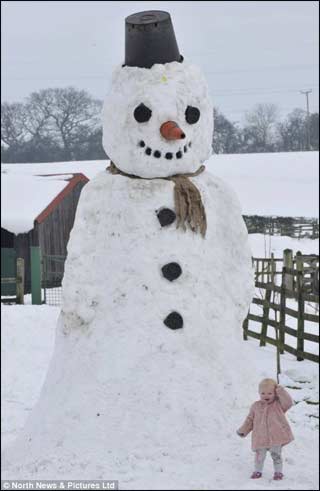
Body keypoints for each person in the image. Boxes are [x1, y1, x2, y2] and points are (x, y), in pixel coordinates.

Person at [236, 378, 294, 480]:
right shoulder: (256, 406)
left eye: (270, 393)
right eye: (263, 393)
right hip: (260, 436)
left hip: (276, 437)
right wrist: (243, 430)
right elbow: (250, 420)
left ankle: (278, 472)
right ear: (259, 393)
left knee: (276, 455)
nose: (266, 396)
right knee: (259, 456)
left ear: (275, 393)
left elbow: (289, 402)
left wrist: (280, 390)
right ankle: (258, 471)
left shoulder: (278, 405)